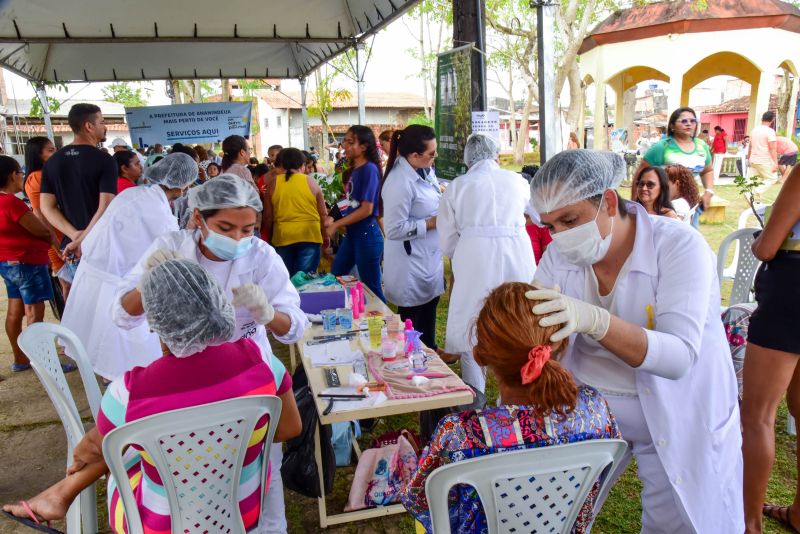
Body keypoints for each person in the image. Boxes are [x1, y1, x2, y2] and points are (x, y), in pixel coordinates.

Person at [527, 150, 743, 533]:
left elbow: (677, 357)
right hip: (590, 407)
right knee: (553, 514)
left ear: (609, 201)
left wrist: (593, 320)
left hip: (677, 407)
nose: (560, 236)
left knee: (677, 522)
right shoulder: (559, 254)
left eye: (570, 220)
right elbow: (539, 328)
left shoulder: (678, 248)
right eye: (551, 225)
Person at [2, 258, 302, 533]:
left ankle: (60, 494)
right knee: (131, 442)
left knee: (122, 448)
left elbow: (88, 452)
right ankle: (58, 495)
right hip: (243, 513)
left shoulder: (130, 392)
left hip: (157, 526)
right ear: (216, 304)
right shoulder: (260, 361)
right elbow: (290, 428)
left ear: (155, 319)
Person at [114, 174, 306, 533]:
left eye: (247, 229)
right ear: (199, 218)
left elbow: (295, 326)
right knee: (196, 470)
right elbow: (123, 314)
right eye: (225, 227)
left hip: (245, 374)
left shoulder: (261, 256)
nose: (237, 238)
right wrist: (149, 281)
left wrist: (269, 315)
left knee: (263, 472)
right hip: (188, 378)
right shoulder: (171, 246)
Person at [401, 282, 620, 533]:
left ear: (480, 355)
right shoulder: (596, 412)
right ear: (560, 343)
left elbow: (419, 499)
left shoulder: (461, 434)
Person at [60, 153, 197, 381]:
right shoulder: (157, 211)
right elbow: (170, 248)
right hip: (115, 280)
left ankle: (111, 378)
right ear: (184, 184)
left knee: (100, 342)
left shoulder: (135, 194)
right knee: (120, 351)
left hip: (97, 272)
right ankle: (121, 385)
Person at [438, 133, 536, 393]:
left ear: (467, 159)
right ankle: (516, 392)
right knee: (518, 313)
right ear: (496, 155)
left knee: (473, 319)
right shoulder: (517, 181)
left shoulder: (458, 186)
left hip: (474, 255)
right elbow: (538, 214)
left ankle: (475, 394)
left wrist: (460, 253)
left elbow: (446, 236)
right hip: (516, 250)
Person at [742, 164, 800, 533]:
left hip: (792, 290)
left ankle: (748, 523)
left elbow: (766, 248)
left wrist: (759, 240)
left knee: (758, 416)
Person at [0, 156, 75, 375]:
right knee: (35, 313)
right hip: (28, 263)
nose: (21, 178)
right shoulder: (11, 202)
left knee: (15, 311)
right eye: (19, 174)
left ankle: (20, 358)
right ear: (13, 175)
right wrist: (54, 241)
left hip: (8, 263)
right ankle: (45, 362)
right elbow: (40, 230)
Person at [381, 125, 443, 350]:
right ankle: (414, 360)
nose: (434, 157)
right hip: (411, 262)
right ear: (414, 155)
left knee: (429, 307)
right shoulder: (400, 182)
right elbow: (394, 228)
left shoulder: (422, 169)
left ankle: (431, 351)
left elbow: (428, 196)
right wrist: (432, 222)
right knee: (413, 318)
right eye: (431, 154)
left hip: (427, 257)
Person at [40, 103, 118, 274]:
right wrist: (82, 238)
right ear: (89, 126)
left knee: (84, 299)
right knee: (109, 299)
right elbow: (106, 207)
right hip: (101, 244)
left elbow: (46, 206)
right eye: (102, 122)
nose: (105, 127)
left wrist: (75, 235)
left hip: (72, 245)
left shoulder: (53, 161)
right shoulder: (104, 160)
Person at [325, 125, 386, 301]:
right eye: (345, 141)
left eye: (351, 142)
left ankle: (384, 325)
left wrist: (337, 224)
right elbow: (352, 203)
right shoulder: (356, 170)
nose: (345, 145)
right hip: (353, 235)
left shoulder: (369, 169)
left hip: (367, 234)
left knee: (372, 287)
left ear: (364, 146)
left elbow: (367, 209)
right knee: (337, 275)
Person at [639, 107, 713, 228]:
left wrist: (709, 192)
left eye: (692, 120)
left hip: (691, 202)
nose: (689, 123)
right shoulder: (662, 147)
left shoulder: (701, 146)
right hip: (664, 202)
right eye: (683, 121)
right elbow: (641, 173)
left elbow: (708, 170)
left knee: (689, 238)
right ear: (672, 125)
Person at [263, 147, 328, 275]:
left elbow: (268, 217)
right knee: (304, 281)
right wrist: (325, 235)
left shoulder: (273, 183)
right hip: (310, 235)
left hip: (283, 237)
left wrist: (270, 236)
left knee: (285, 279)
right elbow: (323, 213)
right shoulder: (310, 181)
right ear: (302, 165)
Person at [23, 137, 70, 298]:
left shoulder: (47, 174)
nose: (55, 152)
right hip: (57, 238)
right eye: (50, 150)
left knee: (72, 283)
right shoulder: (36, 177)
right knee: (69, 284)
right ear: (38, 154)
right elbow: (40, 214)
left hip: (64, 236)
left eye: (54, 149)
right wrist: (56, 245)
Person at [748, 111, 779, 185]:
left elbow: (750, 146)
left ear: (762, 118)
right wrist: (775, 163)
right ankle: (755, 192)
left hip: (753, 159)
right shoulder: (770, 131)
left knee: (754, 180)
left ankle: (750, 194)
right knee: (772, 178)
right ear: (772, 120)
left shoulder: (754, 130)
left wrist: (748, 158)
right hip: (764, 160)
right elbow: (772, 148)